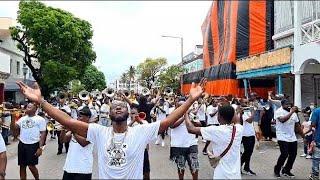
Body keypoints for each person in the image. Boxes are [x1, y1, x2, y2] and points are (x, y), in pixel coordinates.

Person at [16, 78, 206, 179]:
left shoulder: (140, 132)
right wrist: (41, 101)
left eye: (122, 106)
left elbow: (169, 120)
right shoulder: (99, 132)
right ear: (110, 114)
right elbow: (68, 122)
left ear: (128, 111)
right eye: (115, 106)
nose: (118, 107)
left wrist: (190, 100)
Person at [185, 105, 243, 179]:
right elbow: (237, 120)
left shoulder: (216, 130)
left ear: (220, 117)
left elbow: (190, 129)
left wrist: (186, 114)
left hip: (221, 175)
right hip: (236, 176)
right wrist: (232, 110)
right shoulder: (239, 129)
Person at [169, 98, 200, 180]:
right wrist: (184, 116)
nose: (183, 108)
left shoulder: (191, 115)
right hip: (178, 146)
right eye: (181, 106)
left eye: (184, 106)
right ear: (177, 107)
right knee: (181, 168)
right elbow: (172, 125)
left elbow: (199, 124)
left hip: (192, 144)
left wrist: (191, 119)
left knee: (195, 167)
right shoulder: (173, 115)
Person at [60, 106, 94, 180]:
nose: (78, 118)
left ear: (88, 117)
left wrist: (73, 130)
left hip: (83, 169)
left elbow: (83, 143)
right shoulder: (75, 129)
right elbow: (63, 140)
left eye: (80, 116)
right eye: (78, 116)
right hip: (69, 167)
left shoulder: (92, 130)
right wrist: (63, 129)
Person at [14, 102, 46, 180]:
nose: (27, 108)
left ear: (35, 109)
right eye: (27, 107)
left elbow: (43, 133)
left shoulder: (40, 119)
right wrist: (12, 117)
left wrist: (40, 148)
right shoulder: (22, 118)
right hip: (22, 144)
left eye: (29, 107)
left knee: (31, 166)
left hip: (33, 145)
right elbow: (14, 128)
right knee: (22, 166)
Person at [273, 100, 304, 178]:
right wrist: (291, 112)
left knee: (293, 154)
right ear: (282, 105)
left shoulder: (294, 114)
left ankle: (286, 170)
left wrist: (304, 137)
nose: (289, 106)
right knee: (284, 154)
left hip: (292, 136)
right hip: (282, 136)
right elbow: (282, 120)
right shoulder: (278, 111)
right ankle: (277, 169)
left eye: (289, 104)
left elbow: (297, 126)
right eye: (287, 105)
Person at [239, 107, 256, 176]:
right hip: (245, 135)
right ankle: (239, 166)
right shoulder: (242, 113)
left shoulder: (248, 112)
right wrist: (253, 112)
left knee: (249, 152)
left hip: (252, 134)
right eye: (244, 103)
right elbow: (250, 120)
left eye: (247, 103)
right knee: (247, 152)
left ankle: (246, 168)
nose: (246, 106)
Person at [310, 107, 320, 180]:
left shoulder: (316, 111)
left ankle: (315, 176)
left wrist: (313, 139)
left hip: (318, 139)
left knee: (316, 159)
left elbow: (313, 126)